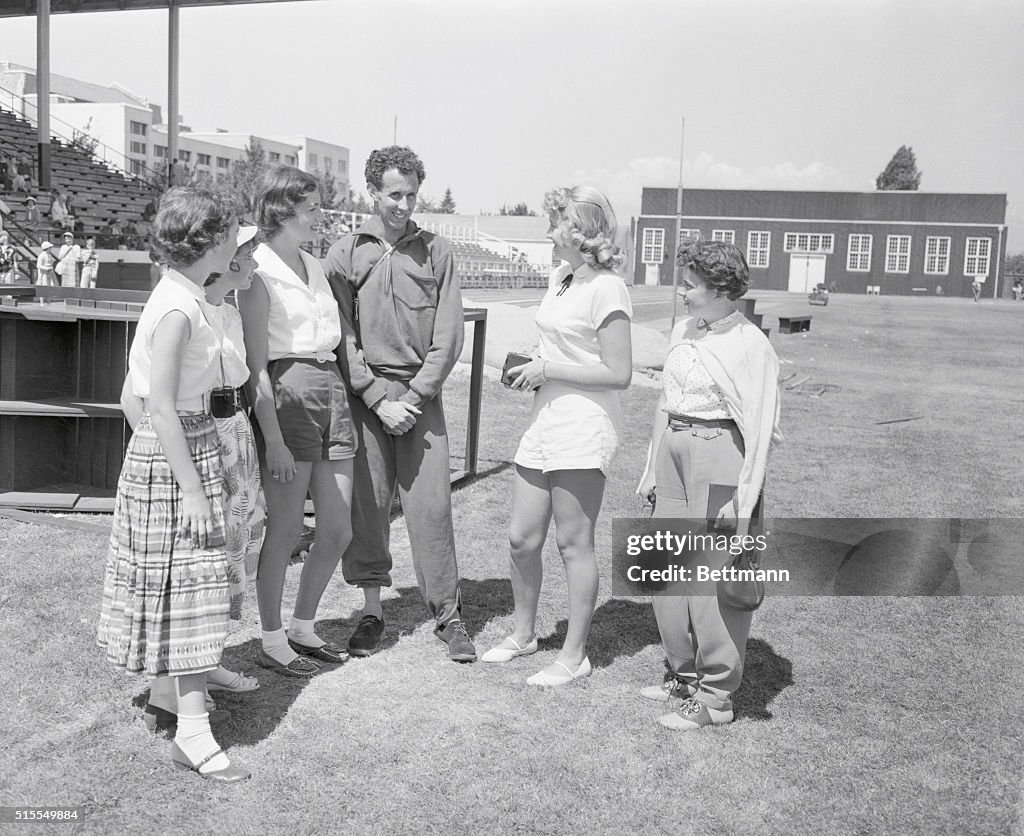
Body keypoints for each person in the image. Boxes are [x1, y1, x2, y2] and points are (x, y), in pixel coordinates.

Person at [97, 185, 250, 781]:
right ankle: (192, 733)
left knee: (195, 586)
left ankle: (171, 698)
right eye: (232, 230)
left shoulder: (191, 298)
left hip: (192, 449)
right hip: (178, 457)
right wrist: (185, 486)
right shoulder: (178, 308)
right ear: (210, 241)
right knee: (191, 589)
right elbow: (155, 405)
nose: (238, 240)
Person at [325, 145, 474, 662]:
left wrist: (412, 398)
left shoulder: (437, 251)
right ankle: (371, 611)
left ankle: (449, 617)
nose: (405, 205)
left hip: (419, 400)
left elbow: (450, 334)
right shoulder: (346, 253)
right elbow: (340, 333)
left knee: (432, 509)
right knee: (367, 509)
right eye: (395, 195)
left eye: (412, 195)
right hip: (367, 400)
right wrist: (372, 395)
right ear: (372, 192)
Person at [480, 186, 633, 685]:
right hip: (544, 419)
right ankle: (524, 635)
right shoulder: (561, 277)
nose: (546, 232)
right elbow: (559, 345)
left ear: (579, 231)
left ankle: (574, 655)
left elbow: (619, 372)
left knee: (573, 543)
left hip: (584, 424)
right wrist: (534, 363)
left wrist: (550, 367)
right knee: (522, 538)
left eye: (553, 224)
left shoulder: (608, 288)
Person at [635, 239, 782, 732]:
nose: (682, 291)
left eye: (691, 284)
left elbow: (760, 427)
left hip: (720, 455)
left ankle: (716, 696)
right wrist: (653, 465)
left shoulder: (750, 344)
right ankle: (684, 675)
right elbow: (665, 399)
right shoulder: (683, 328)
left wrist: (745, 494)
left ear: (721, 290)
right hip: (673, 449)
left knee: (710, 578)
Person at [121, 221, 265, 696]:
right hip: (196, 438)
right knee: (194, 564)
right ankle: (179, 684)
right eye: (248, 251)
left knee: (230, 555)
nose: (255, 261)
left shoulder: (226, 312)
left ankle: (207, 662)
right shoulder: (180, 308)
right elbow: (138, 399)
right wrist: (165, 458)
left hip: (231, 433)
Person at [238, 165, 354, 678]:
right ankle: (271, 637)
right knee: (284, 530)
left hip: (332, 393)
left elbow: (334, 339)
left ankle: (304, 626)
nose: (319, 216)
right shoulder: (257, 271)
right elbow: (256, 365)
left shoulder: (313, 263)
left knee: (337, 528)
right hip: (287, 397)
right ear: (282, 210)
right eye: (311, 207)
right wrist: (275, 439)